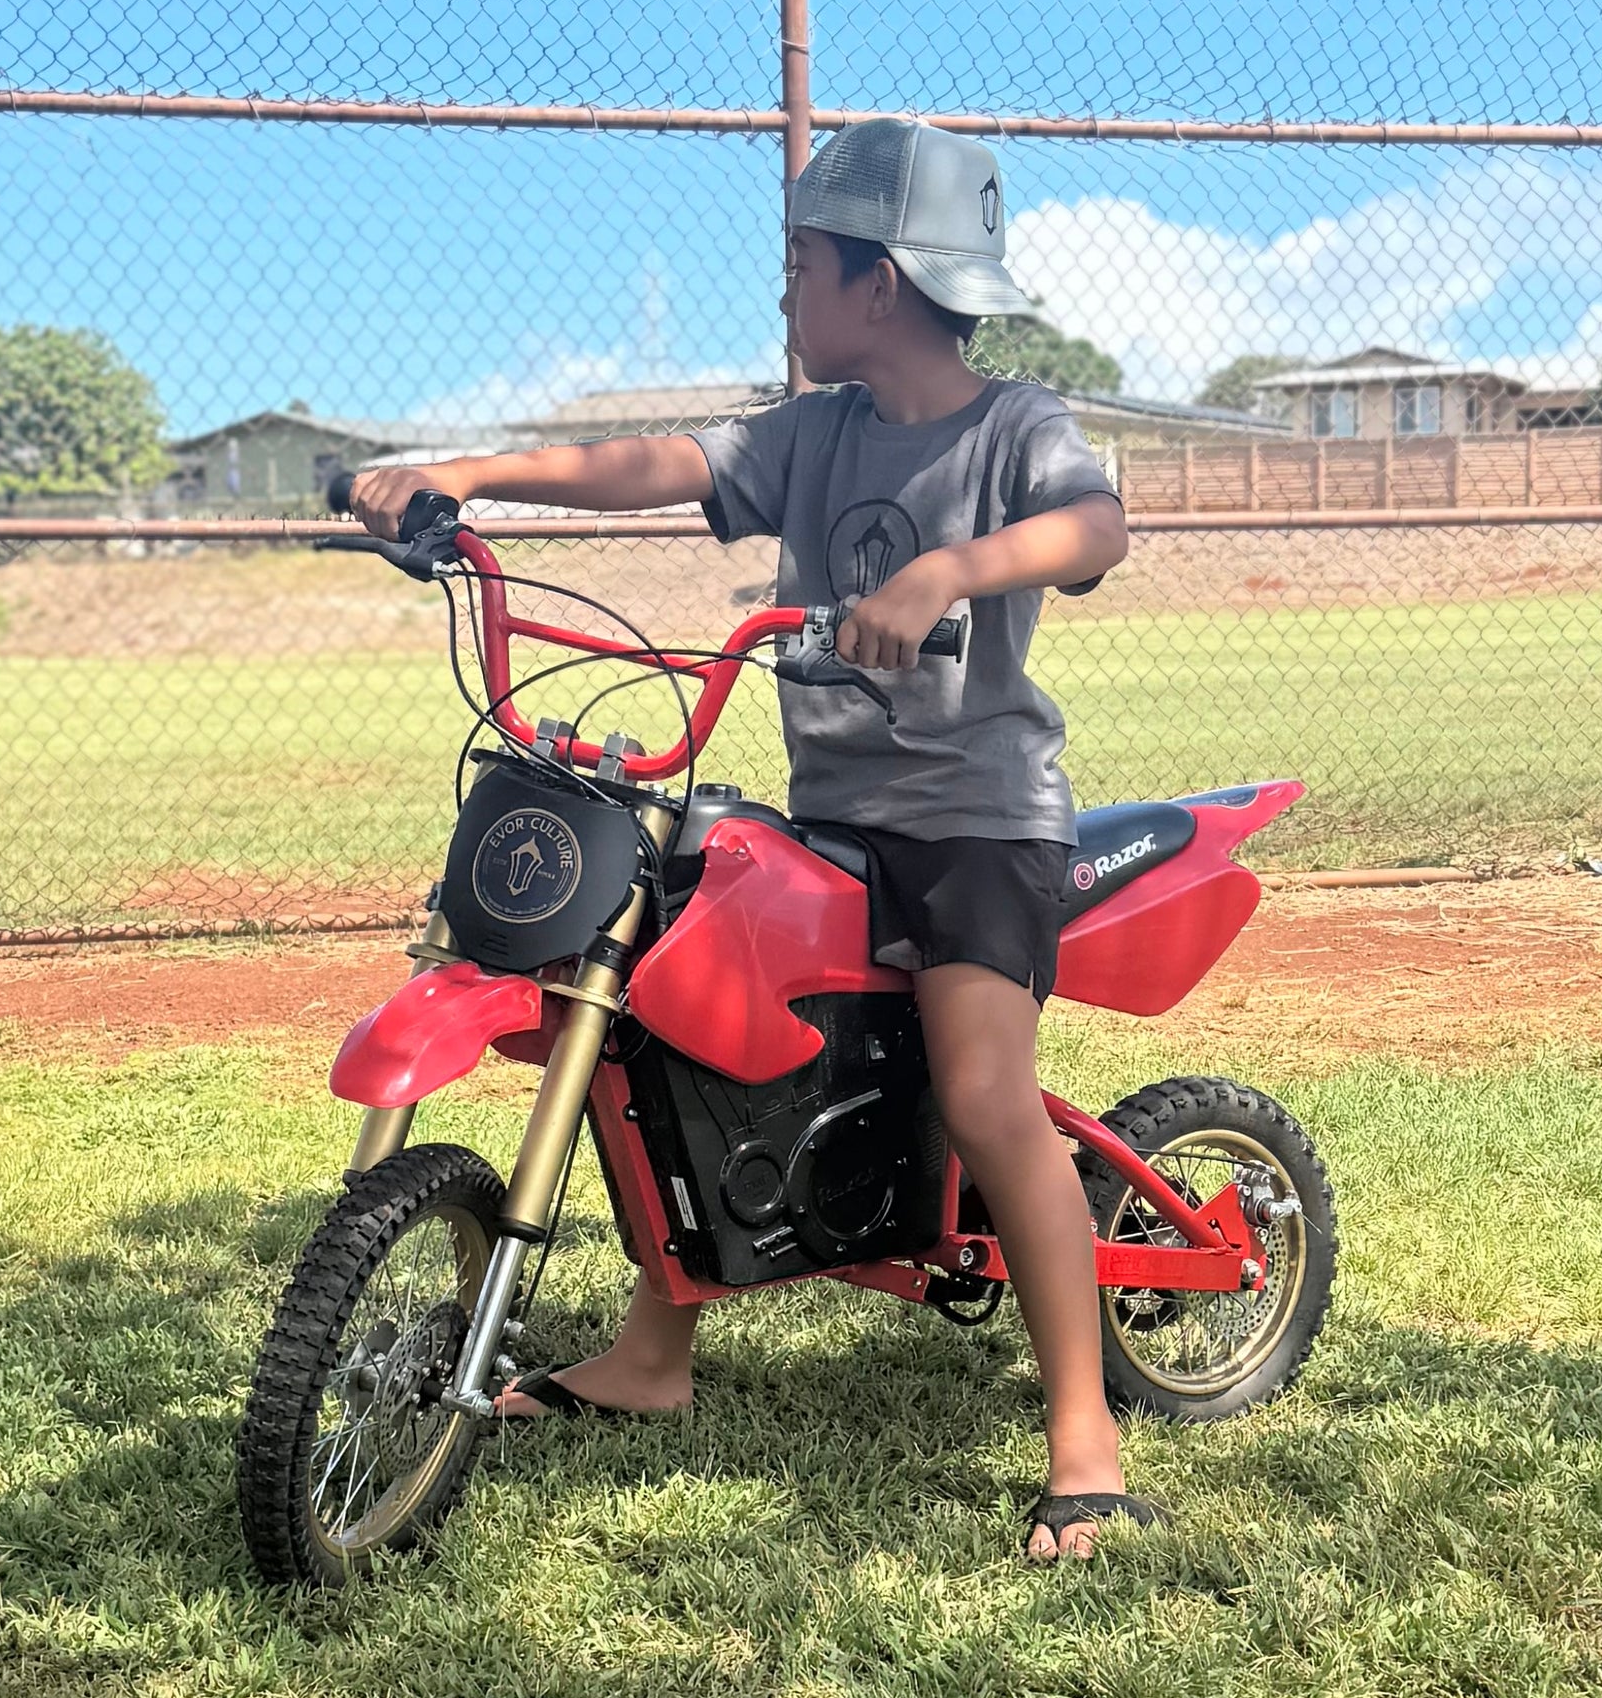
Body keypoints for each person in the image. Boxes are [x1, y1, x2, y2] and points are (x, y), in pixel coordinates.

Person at [350, 117, 1149, 1560]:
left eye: (800, 267)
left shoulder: (1014, 425)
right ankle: (656, 1358)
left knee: (982, 1092)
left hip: (974, 827)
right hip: (837, 816)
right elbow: (654, 463)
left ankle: (1082, 1432)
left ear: (882, 283)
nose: (783, 295)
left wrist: (951, 570)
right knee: (669, 1012)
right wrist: (460, 473)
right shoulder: (815, 435)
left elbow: (1092, 528)